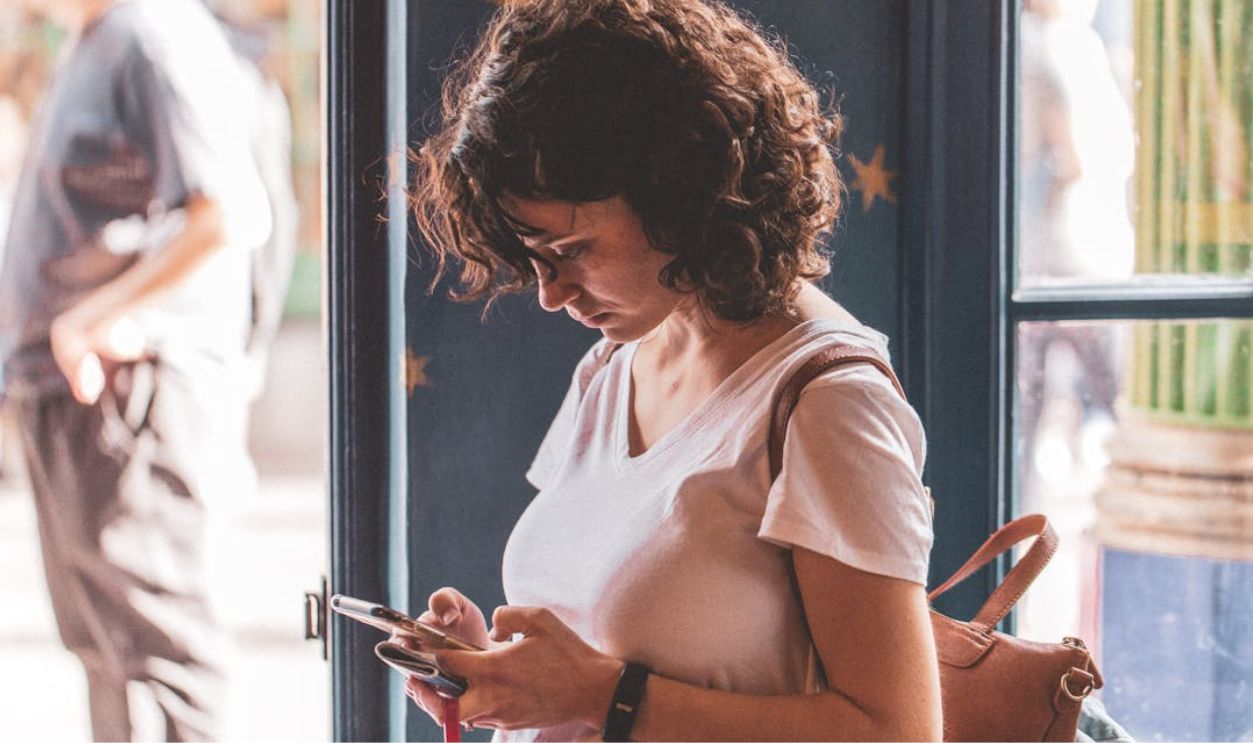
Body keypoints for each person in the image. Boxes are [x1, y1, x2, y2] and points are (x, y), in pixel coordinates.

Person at [401, 1, 941, 740]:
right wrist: (494, 668)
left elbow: (898, 730)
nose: (551, 295)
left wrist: (603, 697)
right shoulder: (610, 369)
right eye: (532, 258)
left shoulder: (824, 401)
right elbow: (610, 649)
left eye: (572, 250)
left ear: (681, 192)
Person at [0, 0, 289, 738]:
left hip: (124, 397)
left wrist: (94, 319)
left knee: (161, 652)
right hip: (66, 394)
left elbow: (225, 213)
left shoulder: (150, 32)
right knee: (102, 646)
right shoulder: (98, 39)